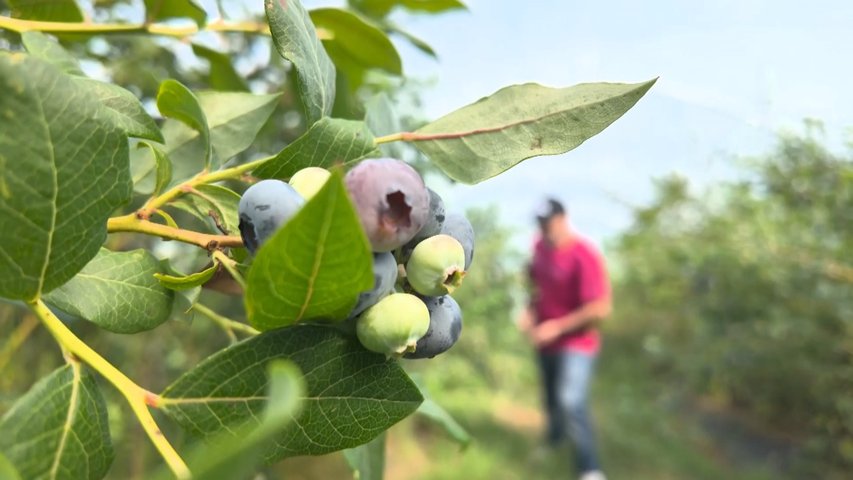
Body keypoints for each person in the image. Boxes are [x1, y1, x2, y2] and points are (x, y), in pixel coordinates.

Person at [517, 198, 612, 480]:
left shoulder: (585, 254)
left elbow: (600, 308)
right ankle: (554, 442)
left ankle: (590, 468)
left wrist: (557, 327)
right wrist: (528, 309)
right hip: (546, 342)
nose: (545, 228)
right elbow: (532, 279)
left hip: (577, 344)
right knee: (552, 400)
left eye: (549, 221)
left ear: (563, 218)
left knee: (571, 401)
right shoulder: (539, 248)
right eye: (541, 223)